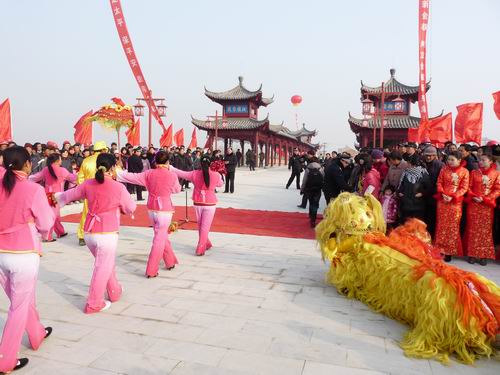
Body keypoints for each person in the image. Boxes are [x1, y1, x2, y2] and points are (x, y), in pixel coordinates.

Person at [56, 153, 136, 313]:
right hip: (107, 232)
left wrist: (54, 198)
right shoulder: (118, 187)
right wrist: (122, 208)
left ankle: (114, 291)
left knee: (106, 264)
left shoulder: (88, 184)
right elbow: (131, 207)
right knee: (102, 267)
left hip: (90, 232)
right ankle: (94, 303)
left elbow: (66, 196)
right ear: (113, 167)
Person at [0, 147, 55, 373]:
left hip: (1, 252)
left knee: (19, 301)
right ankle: (5, 360)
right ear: (27, 165)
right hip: (23, 252)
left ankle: (36, 333)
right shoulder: (32, 189)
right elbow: (45, 224)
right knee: (18, 307)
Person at [117, 151, 181, 277]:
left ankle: (170, 261)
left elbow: (132, 177)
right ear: (167, 162)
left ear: (155, 161)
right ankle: (151, 269)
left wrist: (117, 173)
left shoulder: (149, 173)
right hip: (165, 209)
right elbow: (177, 189)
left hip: (152, 208)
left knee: (160, 235)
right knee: (159, 238)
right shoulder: (172, 175)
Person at [171, 155, 224, 256]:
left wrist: (172, 168)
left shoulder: (194, 174)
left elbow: (182, 173)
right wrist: (219, 173)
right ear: (210, 164)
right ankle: (201, 247)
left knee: (201, 225)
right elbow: (220, 184)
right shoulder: (215, 175)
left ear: (200, 163)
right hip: (210, 203)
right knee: (205, 226)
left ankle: (206, 243)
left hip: (198, 202)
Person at [463, 153, 500, 265]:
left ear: (490, 162)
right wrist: (474, 196)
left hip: (486, 206)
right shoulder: (474, 173)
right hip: (474, 204)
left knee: (485, 230)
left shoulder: (496, 174)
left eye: (484, 160)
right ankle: (472, 254)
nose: (481, 162)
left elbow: (497, 190)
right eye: (480, 160)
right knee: (473, 228)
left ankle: (483, 255)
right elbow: (468, 187)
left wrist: (485, 199)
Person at [29, 153, 77, 241]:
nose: (61, 160)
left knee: (55, 215)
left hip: (47, 195)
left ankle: (60, 232)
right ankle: (47, 236)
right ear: (57, 161)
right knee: (53, 216)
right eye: (60, 159)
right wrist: (79, 174)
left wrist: (27, 178)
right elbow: (73, 179)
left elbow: (34, 178)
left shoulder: (45, 169)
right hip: (56, 196)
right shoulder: (62, 170)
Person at [434, 151, 469, 262]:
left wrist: (453, 196)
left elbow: (464, 187)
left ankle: (449, 251)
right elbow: (439, 182)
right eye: (449, 159)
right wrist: (443, 193)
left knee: (453, 226)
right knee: (441, 225)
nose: (450, 162)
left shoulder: (465, 172)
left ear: (459, 160)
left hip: (455, 203)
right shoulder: (444, 169)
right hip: (443, 201)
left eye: (452, 160)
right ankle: (440, 249)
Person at [76, 141, 108, 246]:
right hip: (103, 192)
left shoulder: (86, 161)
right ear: (103, 150)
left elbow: (80, 178)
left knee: (86, 213)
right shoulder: (105, 161)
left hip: (88, 192)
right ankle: (98, 233)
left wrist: (83, 191)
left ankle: (81, 236)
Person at [397, 154, 430, 223]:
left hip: (418, 204)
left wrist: (422, 193)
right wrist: (400, 192)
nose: (406, 164)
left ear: (412, 164)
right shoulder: (405, 173)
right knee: (406, 224)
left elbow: (429, 188)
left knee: (417, 225)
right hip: (406, 203)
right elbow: (400, 186)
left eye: (408, 162)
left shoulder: (423, 173)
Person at [300, 156, 324, 227]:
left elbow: (304, 180)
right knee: (315, 203)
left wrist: (302, 189)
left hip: (309, 188)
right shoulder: (320, 168)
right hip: (318, 188)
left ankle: (311, 216)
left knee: (311, 202)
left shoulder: (308, 168)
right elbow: (323, 177)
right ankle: (313, 219)